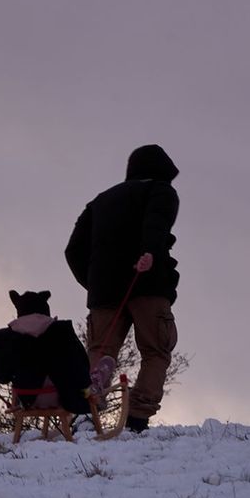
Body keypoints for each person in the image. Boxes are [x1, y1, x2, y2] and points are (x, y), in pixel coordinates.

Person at [65, 144, 181, 433]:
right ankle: (137, 419)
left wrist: (92, 282)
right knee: (156, 351)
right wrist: (149, 252)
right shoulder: (161, 191)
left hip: (104, 292)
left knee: (101, 350)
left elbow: (73, 250)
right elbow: (156, 223)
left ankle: (88, 412)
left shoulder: (99, 201)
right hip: (148, 284)